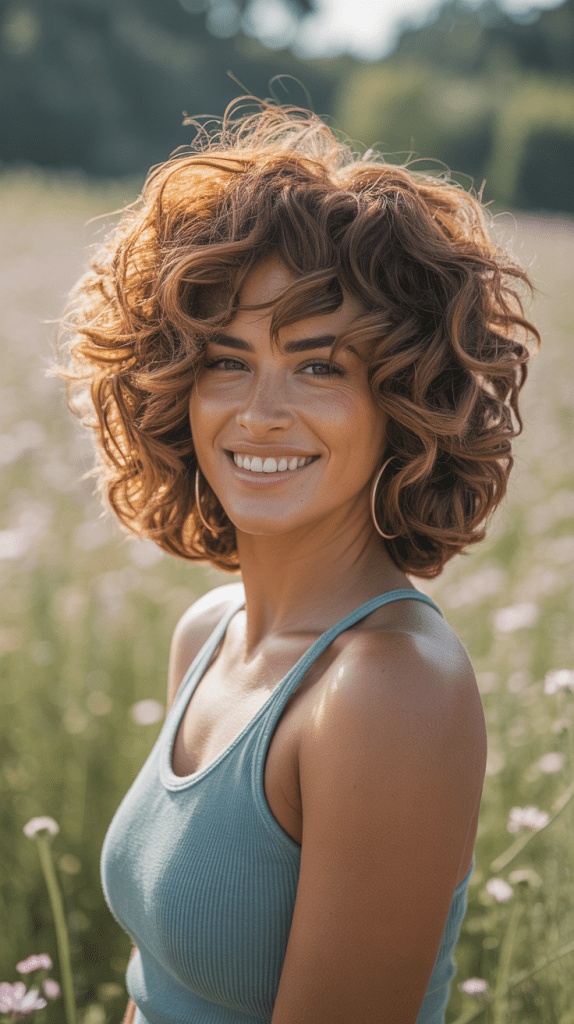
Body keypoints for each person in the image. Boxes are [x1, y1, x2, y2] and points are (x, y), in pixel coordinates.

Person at [56, 99, 540, 1024]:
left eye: (320, 367)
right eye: (226, 361)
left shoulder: (390, 690)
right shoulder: (209, 631)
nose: (260, 413)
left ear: (404, 402)